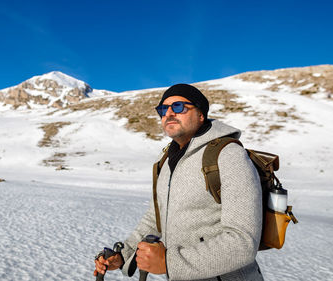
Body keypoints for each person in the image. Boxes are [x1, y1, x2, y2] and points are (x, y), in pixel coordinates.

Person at [94, 83, 264, 280]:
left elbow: (243, 242)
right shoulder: (165, 161)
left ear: (201, 115)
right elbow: (155, 220)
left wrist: (168, 262)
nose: (168, 114)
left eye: (178, 107)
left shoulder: (228, 155)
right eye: (162, 109)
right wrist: (124, 255)